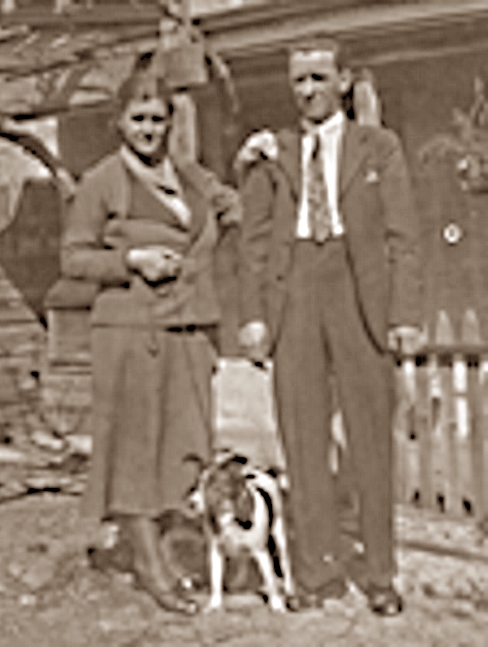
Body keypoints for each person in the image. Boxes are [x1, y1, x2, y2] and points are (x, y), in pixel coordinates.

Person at [237, 39, 422, 615]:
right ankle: (318, 572)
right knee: (302, 438)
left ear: (343, 81)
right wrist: (253, 316)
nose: (308, 90)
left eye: (319, 77)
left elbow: (403, 236)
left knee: (369, 440)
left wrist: (405, 315)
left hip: (357, 293)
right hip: (293, 294)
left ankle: (380, 573)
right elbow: (253, 242)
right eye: (299, 80)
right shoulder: (272, 151)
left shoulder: (378, 147)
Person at [60, 54, 240, 615]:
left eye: (158, 119)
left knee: (183, 447)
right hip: (130, 334)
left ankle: (163, 548)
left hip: (187, 328)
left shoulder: (190, 175)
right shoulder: (101, 182)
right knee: (135, 451)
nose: (149, 129)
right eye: (138, 119)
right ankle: (150, 566)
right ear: (119, 121)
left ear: (170, 122)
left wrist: (258, 159)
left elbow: (231, 207)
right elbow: (73, 259)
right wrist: (130, 260)